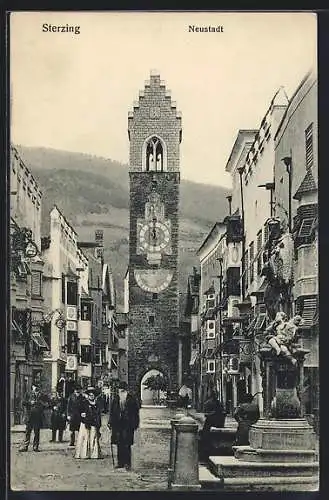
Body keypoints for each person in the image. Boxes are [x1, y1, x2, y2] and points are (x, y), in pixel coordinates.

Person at [108, 381, 140, 470]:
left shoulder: (132, 399)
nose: (121, 392)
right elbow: (112, 412)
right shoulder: (115, 399)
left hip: (128, 425)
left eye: (123, 391)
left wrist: (135, 424)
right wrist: (110, 422)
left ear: (126, 391)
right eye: (120, 390)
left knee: (127, 444)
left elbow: (136, 413)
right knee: (119, 444)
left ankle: (127, 463)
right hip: (117, 425)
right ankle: (120, 463)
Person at [19, 383, 48, 452]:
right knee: (28, 431)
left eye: (38, 386)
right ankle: (25, 446)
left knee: (37, 432)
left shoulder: (42, 395)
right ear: (32, 387)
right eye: (35, 386)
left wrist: (42, 404)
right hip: (29, 416)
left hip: (38, 416)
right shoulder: (28, 394)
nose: (36, 388)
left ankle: (35, 447)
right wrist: (29, 402)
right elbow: (23, 402)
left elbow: (48, 404)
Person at [75, 387, 102, 459]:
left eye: (92, 395)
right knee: (85, 438)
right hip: (85, 423)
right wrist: (82, 415)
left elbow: (98, 414)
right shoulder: (84, 402)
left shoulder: (97, 404)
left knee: (93, 437)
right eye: (90, 395)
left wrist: (98, 423)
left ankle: (94, 454)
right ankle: (84, 454)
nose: (91, 396)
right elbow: (78, 411)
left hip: (93, 423)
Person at [200, 391, 226, 460]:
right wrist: (213, 413)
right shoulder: (208, 403)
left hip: (216, 422)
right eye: (215, 395)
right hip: (210, 422)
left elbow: (222, 411)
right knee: (206, 438)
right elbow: (206, 414)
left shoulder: (218, 403)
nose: (216, 396)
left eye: (217, 395)